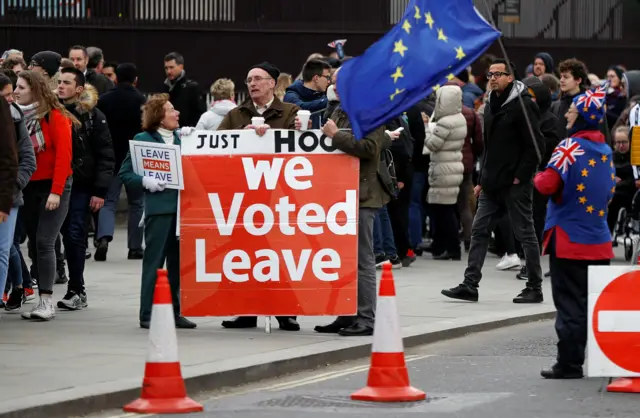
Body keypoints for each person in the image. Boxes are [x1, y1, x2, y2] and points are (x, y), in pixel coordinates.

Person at [441, 59, 544, 304]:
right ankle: (470, 284)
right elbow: (489, 148)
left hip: (515, 184)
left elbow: (536, 146)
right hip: (492, 184)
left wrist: (521, 176)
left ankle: (535, 286)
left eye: (499, 74)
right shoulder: (489, 105)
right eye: (490, 74)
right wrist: (482, 179)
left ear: (511, 77)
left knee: (525, 233)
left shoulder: (522, 104)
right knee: (479, 231)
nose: (493, 78)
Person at [535, 86, 615, 379]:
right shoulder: (605, 151)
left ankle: (569, 364)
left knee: (570, 304)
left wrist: (539, 174)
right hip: (599, 239)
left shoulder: (569, 147)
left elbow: (547, 185)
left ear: (581, 116)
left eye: (572, 110)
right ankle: (602, 359)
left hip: (568, 239)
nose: (567, 113)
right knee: (592, 304)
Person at [217, 62, 300, 331]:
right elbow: (217, 146)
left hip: (279, 195)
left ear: (272, 84)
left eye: (257, 79)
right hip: (245, 195)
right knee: (246, 255)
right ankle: (246, 310)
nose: (251, 84)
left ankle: (285, 311)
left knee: (280, 254)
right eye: (249, 79)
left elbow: (300, 149)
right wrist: (242, 137)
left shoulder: (290, 111)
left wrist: (272, 136)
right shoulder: (236, 114)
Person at [119, 93, 196, 330]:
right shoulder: (143, 139)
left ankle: (175, 312)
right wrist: (145, 181)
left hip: (183, 211)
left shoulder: (182, 139)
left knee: (177, 265)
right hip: (160, 211)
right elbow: (125, 173)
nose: (177, 113)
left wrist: (194, 143)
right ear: (160, 117)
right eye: (171, 110)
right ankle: (147, 313)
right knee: (154, 263)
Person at [13, 70, 75, 321]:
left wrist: (56, 191)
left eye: (21, 87)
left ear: (35, 91)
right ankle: (39, 299)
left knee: (45, 241)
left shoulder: (55, 116)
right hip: (28, 186)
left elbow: (64, 156)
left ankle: (47, 301)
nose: (16, 91)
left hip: (54, 185)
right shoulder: (16, 116)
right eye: (15, 86)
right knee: (33, 245)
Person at [423, 85, 466, 260]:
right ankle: (440, 245)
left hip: (443, 169)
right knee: (444, 208)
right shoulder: (459, 118)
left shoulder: (445, 122)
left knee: (444, 211)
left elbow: (432, 144)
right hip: (452, 167)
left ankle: (452, 248)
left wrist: (427, 127)